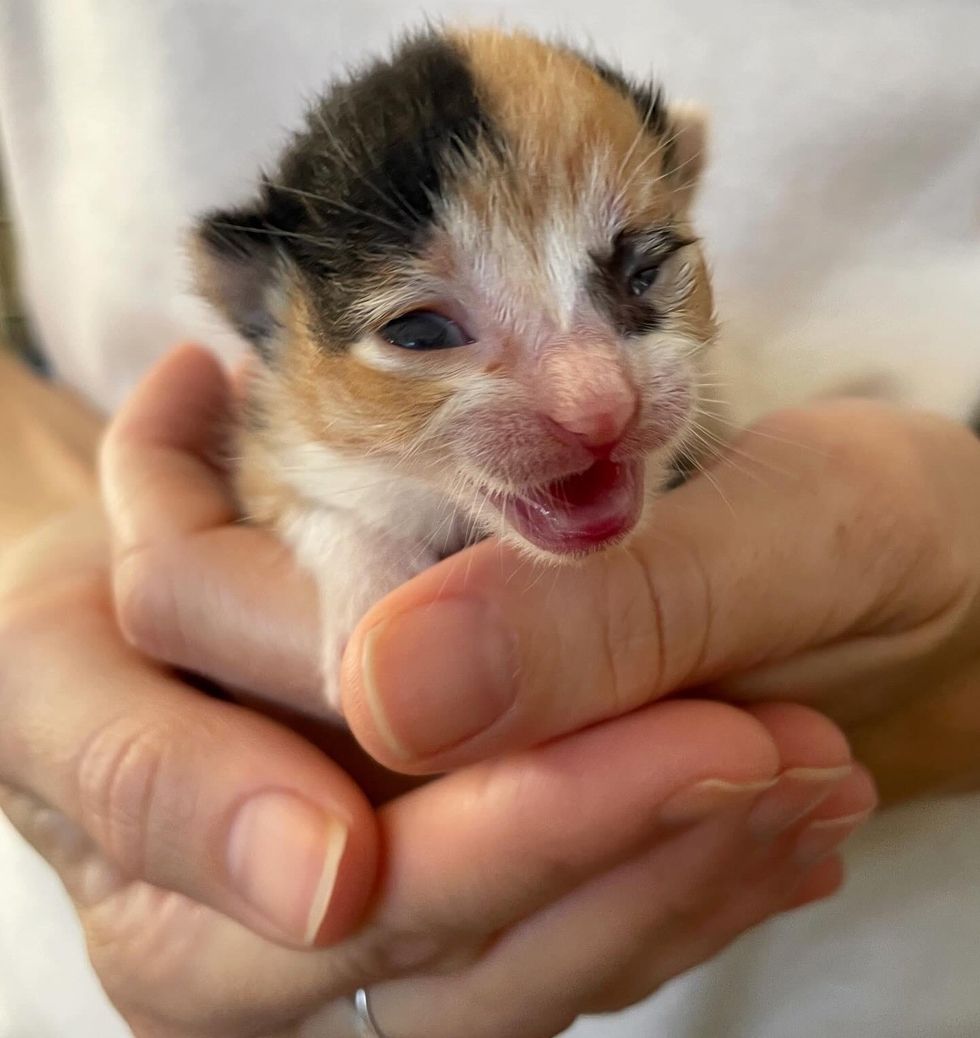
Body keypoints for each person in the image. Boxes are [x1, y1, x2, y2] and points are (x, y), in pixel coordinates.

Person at [1, 2, 978, 1036]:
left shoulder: (718, 439)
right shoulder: (302, 446)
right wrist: (33, 539)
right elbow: (269, 478)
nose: (596, 399)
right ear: (268, 320)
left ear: (683, 180)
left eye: (638, 271)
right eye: (421, 327)